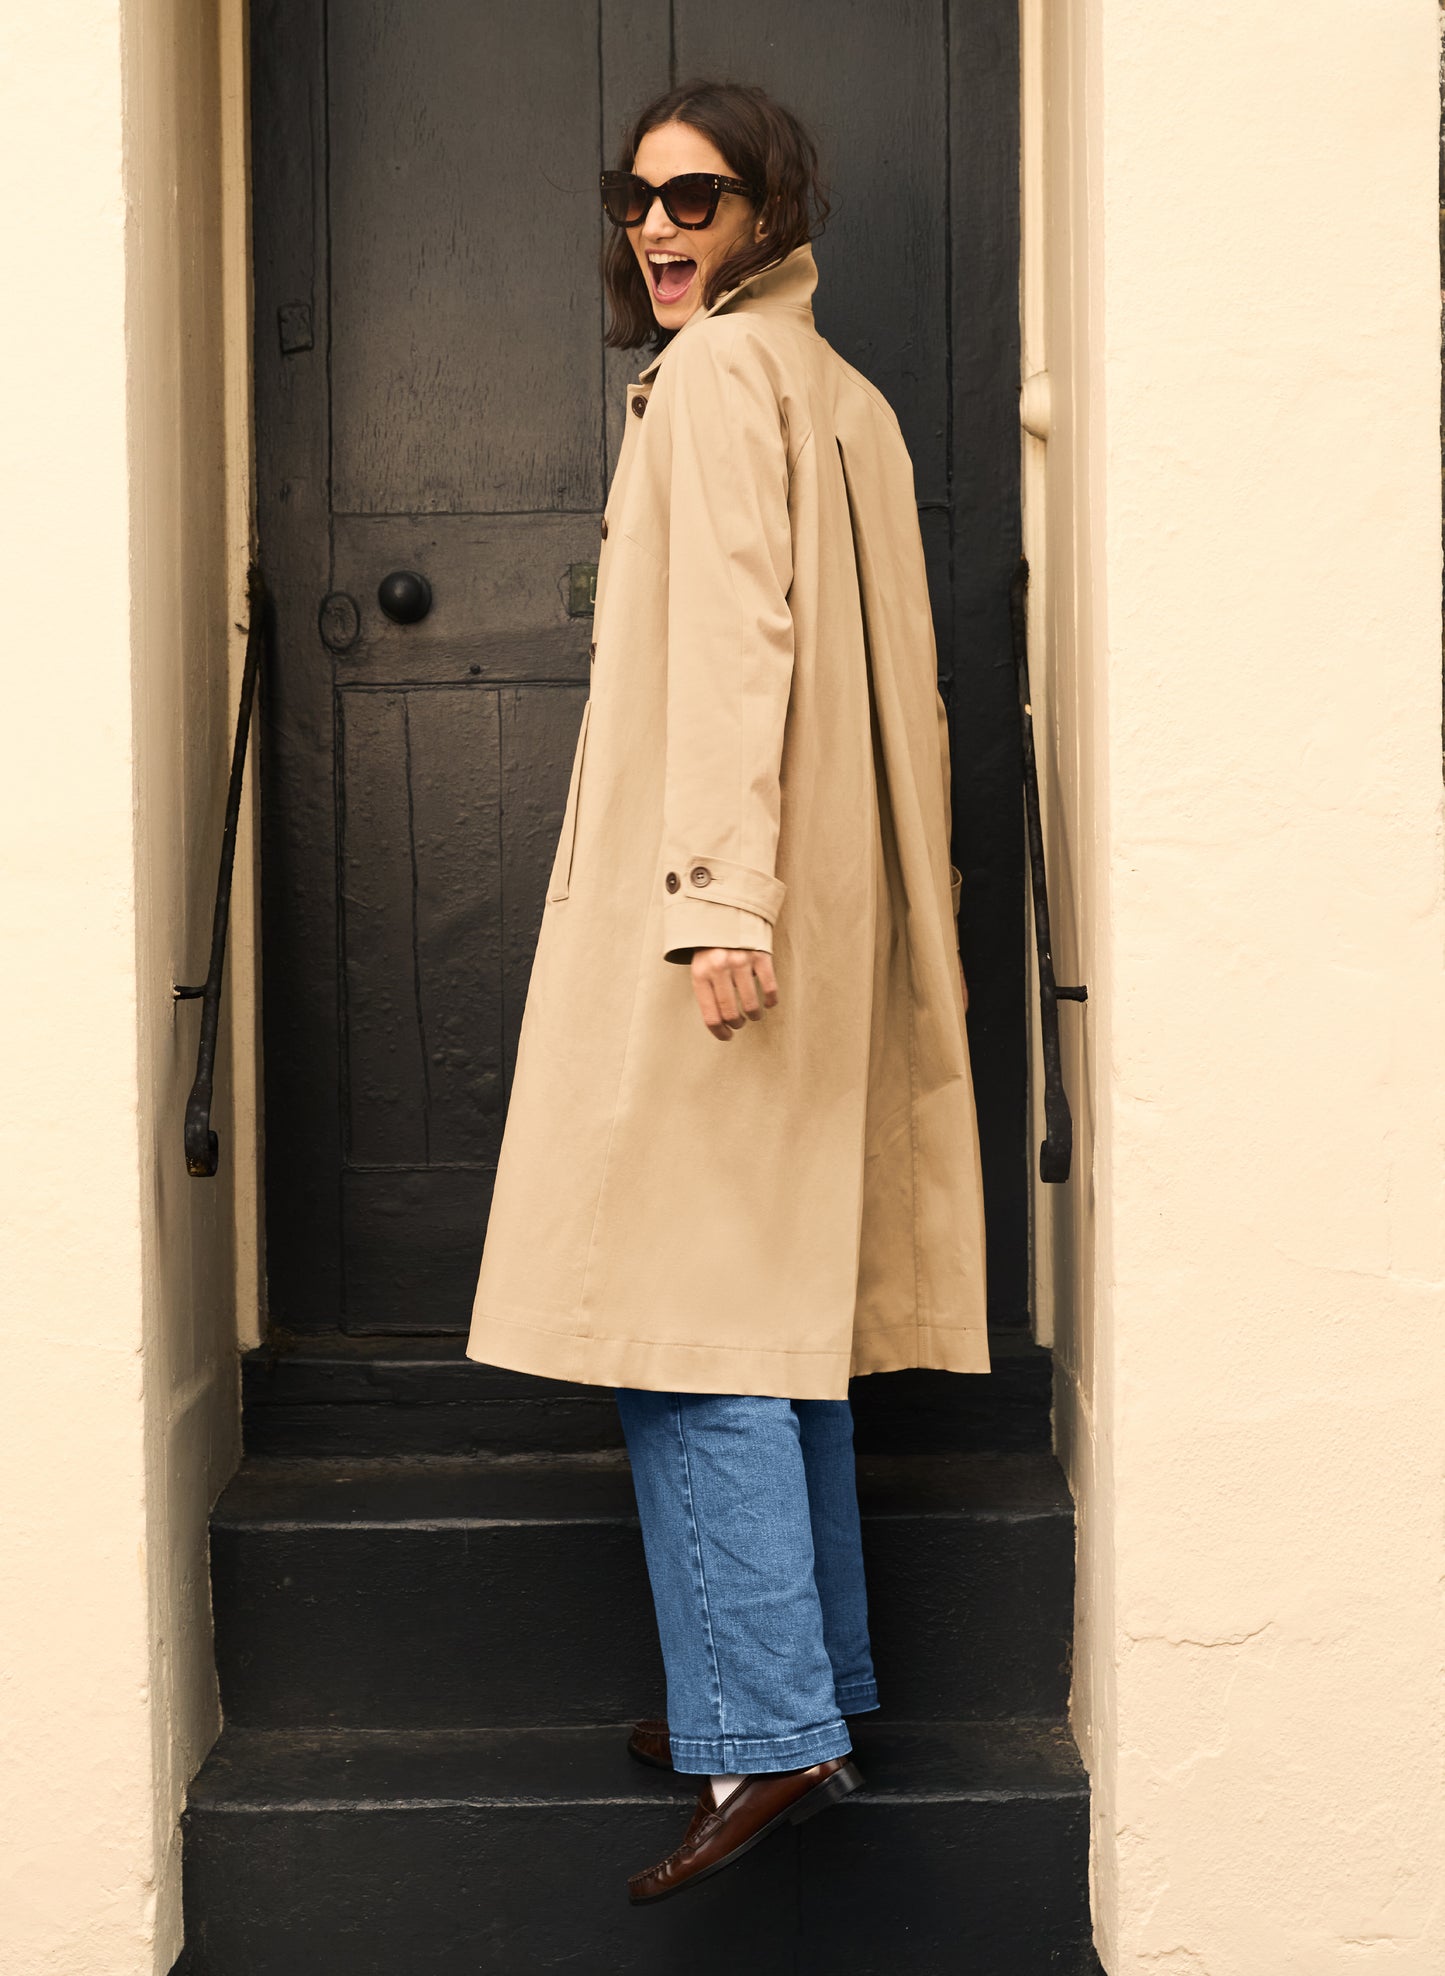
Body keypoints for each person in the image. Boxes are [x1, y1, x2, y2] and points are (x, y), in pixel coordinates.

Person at [467, 78, 989, 1905]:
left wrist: (712, 900)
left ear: (773, 210)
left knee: (682, 1322)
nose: (658, 228)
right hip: (824, 913)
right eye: (637, 197)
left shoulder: (713, 382)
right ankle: (798, 1684)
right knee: (770, 1315)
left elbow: (732, 645)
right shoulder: (841, 393)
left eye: (698, 198)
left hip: (729, 916)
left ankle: (762, 1722)